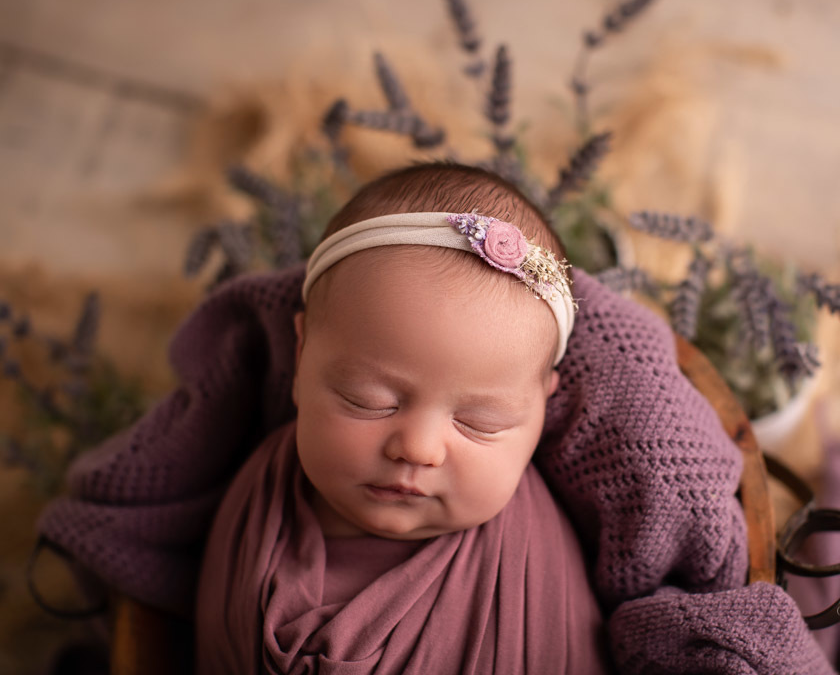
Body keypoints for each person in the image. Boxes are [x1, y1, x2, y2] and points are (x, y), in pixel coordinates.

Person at [194, 162, 610, 673]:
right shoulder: (259, 498)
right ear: (300, 359)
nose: (418, 448)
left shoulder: (527, 563)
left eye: (481, 422)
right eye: (369, 400)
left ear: (542, 408)